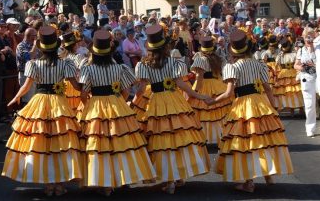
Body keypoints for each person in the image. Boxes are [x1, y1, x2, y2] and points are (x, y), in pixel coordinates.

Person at [2, 26, 82, 196]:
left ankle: (48, 183)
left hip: (39, 102)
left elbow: (26, 85)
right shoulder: (65, 63)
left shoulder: (34, 63)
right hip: (59, 103)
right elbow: (74, 84)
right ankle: (59, 182)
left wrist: (16, 97)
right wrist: (89, 90)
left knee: (40, 142)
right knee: (60, 143)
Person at [132, 24, 212, 194]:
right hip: (174, 101)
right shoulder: (173, 62)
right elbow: (182, 84)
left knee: (162, 140)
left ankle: (170, 181)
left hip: (156, 102)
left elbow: (141, 89)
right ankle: (179, 176)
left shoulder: (144, 65)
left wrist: (132, 102)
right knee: (178, 137)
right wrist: (198, 96)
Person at [211, 29, 293, 192]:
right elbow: (268, 88)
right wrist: (273, 107)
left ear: (233, 50)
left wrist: (212, 101)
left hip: (243, 105)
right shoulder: (260, 64)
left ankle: (249, 182)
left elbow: (228, 93)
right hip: (261, 103)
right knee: (264, 137)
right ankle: (268, 174)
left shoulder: (232, 67)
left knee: (246, 141)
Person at [77, 30, 156, 195]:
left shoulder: (88, 69)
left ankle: (105, 182)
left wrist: (88, 105)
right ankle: (123, 176)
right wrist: (120, 100)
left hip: (96, 105)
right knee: (121, 141)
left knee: (100, 143)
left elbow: (83, 93)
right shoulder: (119, 67)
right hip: (116, 103)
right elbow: (127, 90)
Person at [188, 36, 230, 144]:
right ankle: (220, 135)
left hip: (204, 86)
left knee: (204, 112)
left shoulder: (201, 59)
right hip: (218, 84)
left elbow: (199, 78)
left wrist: (195, 92)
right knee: (219, 111)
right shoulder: (219, 58)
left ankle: (207, 137)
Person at [295, 27, 317, 137]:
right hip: (306, 79)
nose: (308, 39)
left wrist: (314, 65)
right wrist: (301, 68)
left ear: (314, 37)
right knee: (309, 104)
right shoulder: (301, 50)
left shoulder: (319, 48)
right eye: (306, 37)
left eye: (310, 36)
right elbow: (296, 65)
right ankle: (310, 128)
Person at [273, 37, 304, 113]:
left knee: (294, 91)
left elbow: (277, 65)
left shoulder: (289, 55)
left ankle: (298, 108)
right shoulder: (281, 55)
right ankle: (295, 108)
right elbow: (277, 65)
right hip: (287, 73)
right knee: (292, 91)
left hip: (288, 73)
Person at [15, 28, 38, 105]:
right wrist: (35, 46)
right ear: (28, 36)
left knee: (37, 100)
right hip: (26, 75)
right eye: (35, 36)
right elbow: (29, 57)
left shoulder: (37, 45)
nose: (36, 38)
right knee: (28, 100)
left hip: (37, 75)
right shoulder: (21, 46)